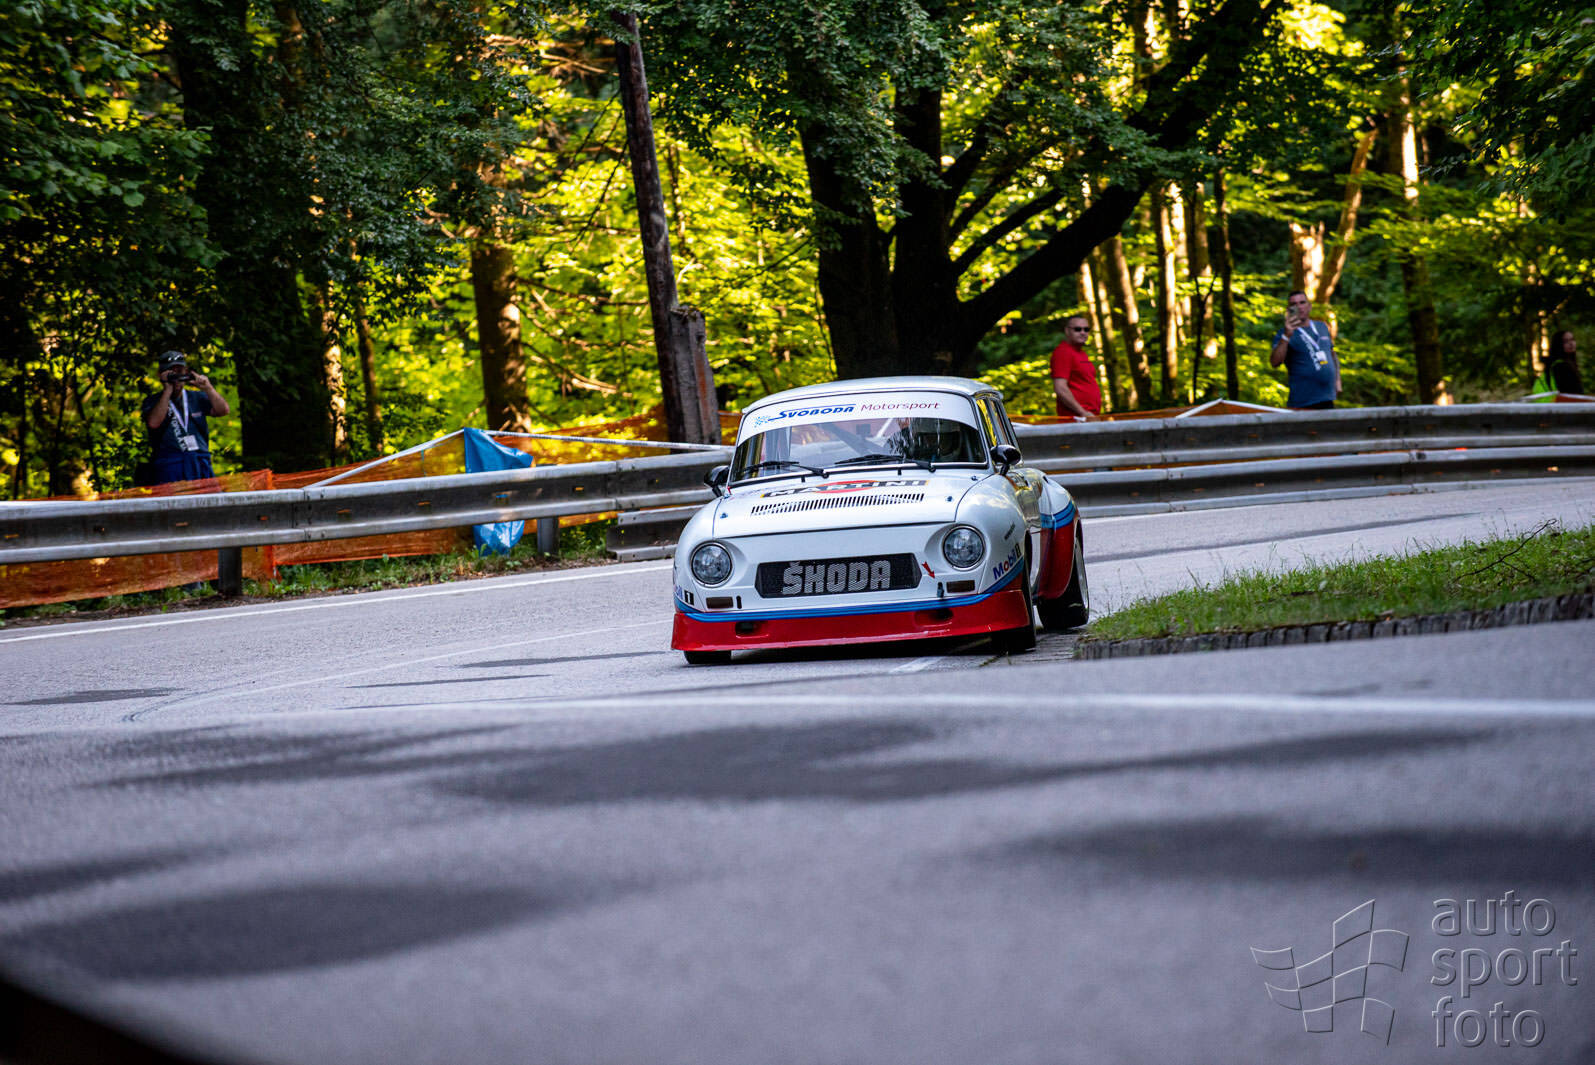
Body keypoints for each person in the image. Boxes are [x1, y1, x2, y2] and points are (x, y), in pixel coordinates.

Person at [140, 349, 230, 484]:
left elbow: (223, 410)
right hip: (169, 465)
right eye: (171, 372)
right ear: (160, 374)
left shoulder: (196, 397)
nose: (176, 376)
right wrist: (167, 390)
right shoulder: (153, 401)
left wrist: (208, 388)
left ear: (186, 372)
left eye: (180, 371)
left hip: (199, 461)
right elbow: (153, 423)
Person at [1270, 291, 1341, 409]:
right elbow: (1274, 362)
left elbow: (1332, 355)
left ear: (1309, 306)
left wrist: (1337, 381)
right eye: (1294, 304)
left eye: (1302, 302)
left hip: (1327, 397)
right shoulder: (1283, 333)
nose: (1299, 307)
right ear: (1288, 310)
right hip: (1302, 401)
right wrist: (1286, 336)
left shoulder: (1322, 326)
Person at [1051, 315, 1102, 420]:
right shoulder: (1063, 352)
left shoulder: (1081, 353)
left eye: (1086, 329)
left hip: (1089, 416)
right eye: (1077, 329)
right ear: (1067, 331)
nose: (1083, 332)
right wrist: (1083, 412)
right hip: (1076, 419)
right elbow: (1060, 388)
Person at [1546, 331, 1584, 395]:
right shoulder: (1560, 366)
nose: (1571, 343)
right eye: (1566, 341)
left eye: (1572, 339)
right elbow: (1570, 392)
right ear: (1558, 344)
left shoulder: (1568, 363)